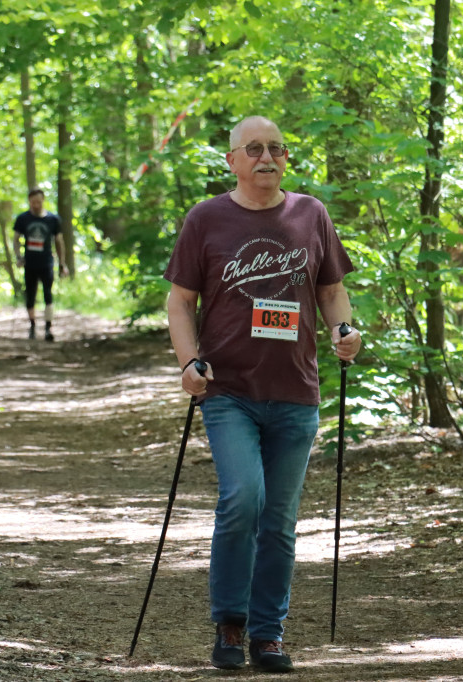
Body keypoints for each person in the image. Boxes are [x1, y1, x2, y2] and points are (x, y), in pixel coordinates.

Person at [164, 116, 362, 673]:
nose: (266, 158)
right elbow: (181, 302)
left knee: (278, 517)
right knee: (243, 497)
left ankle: (268, 633)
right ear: (233, 160)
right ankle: (230, 622)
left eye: (276, 148)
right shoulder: (206, 219)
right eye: (254, 149)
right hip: (228, 390)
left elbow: (332, 290)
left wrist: (344, 332)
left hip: (296, 392)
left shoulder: (310, 214)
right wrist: (187, 363)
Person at [12, 188, 68, 341]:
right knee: (30, 295)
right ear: (29, 201)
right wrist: (18, 256)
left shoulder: (53, 219)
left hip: (46, 262)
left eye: (38, 201)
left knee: (47, 294)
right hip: (29, 263)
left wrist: (62, 263)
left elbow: (59, 241)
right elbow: (16, 239)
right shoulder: (23, 219)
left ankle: (48, 327)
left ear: (43, 200)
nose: (36, 205)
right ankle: (32, 325)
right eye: (32, 202)